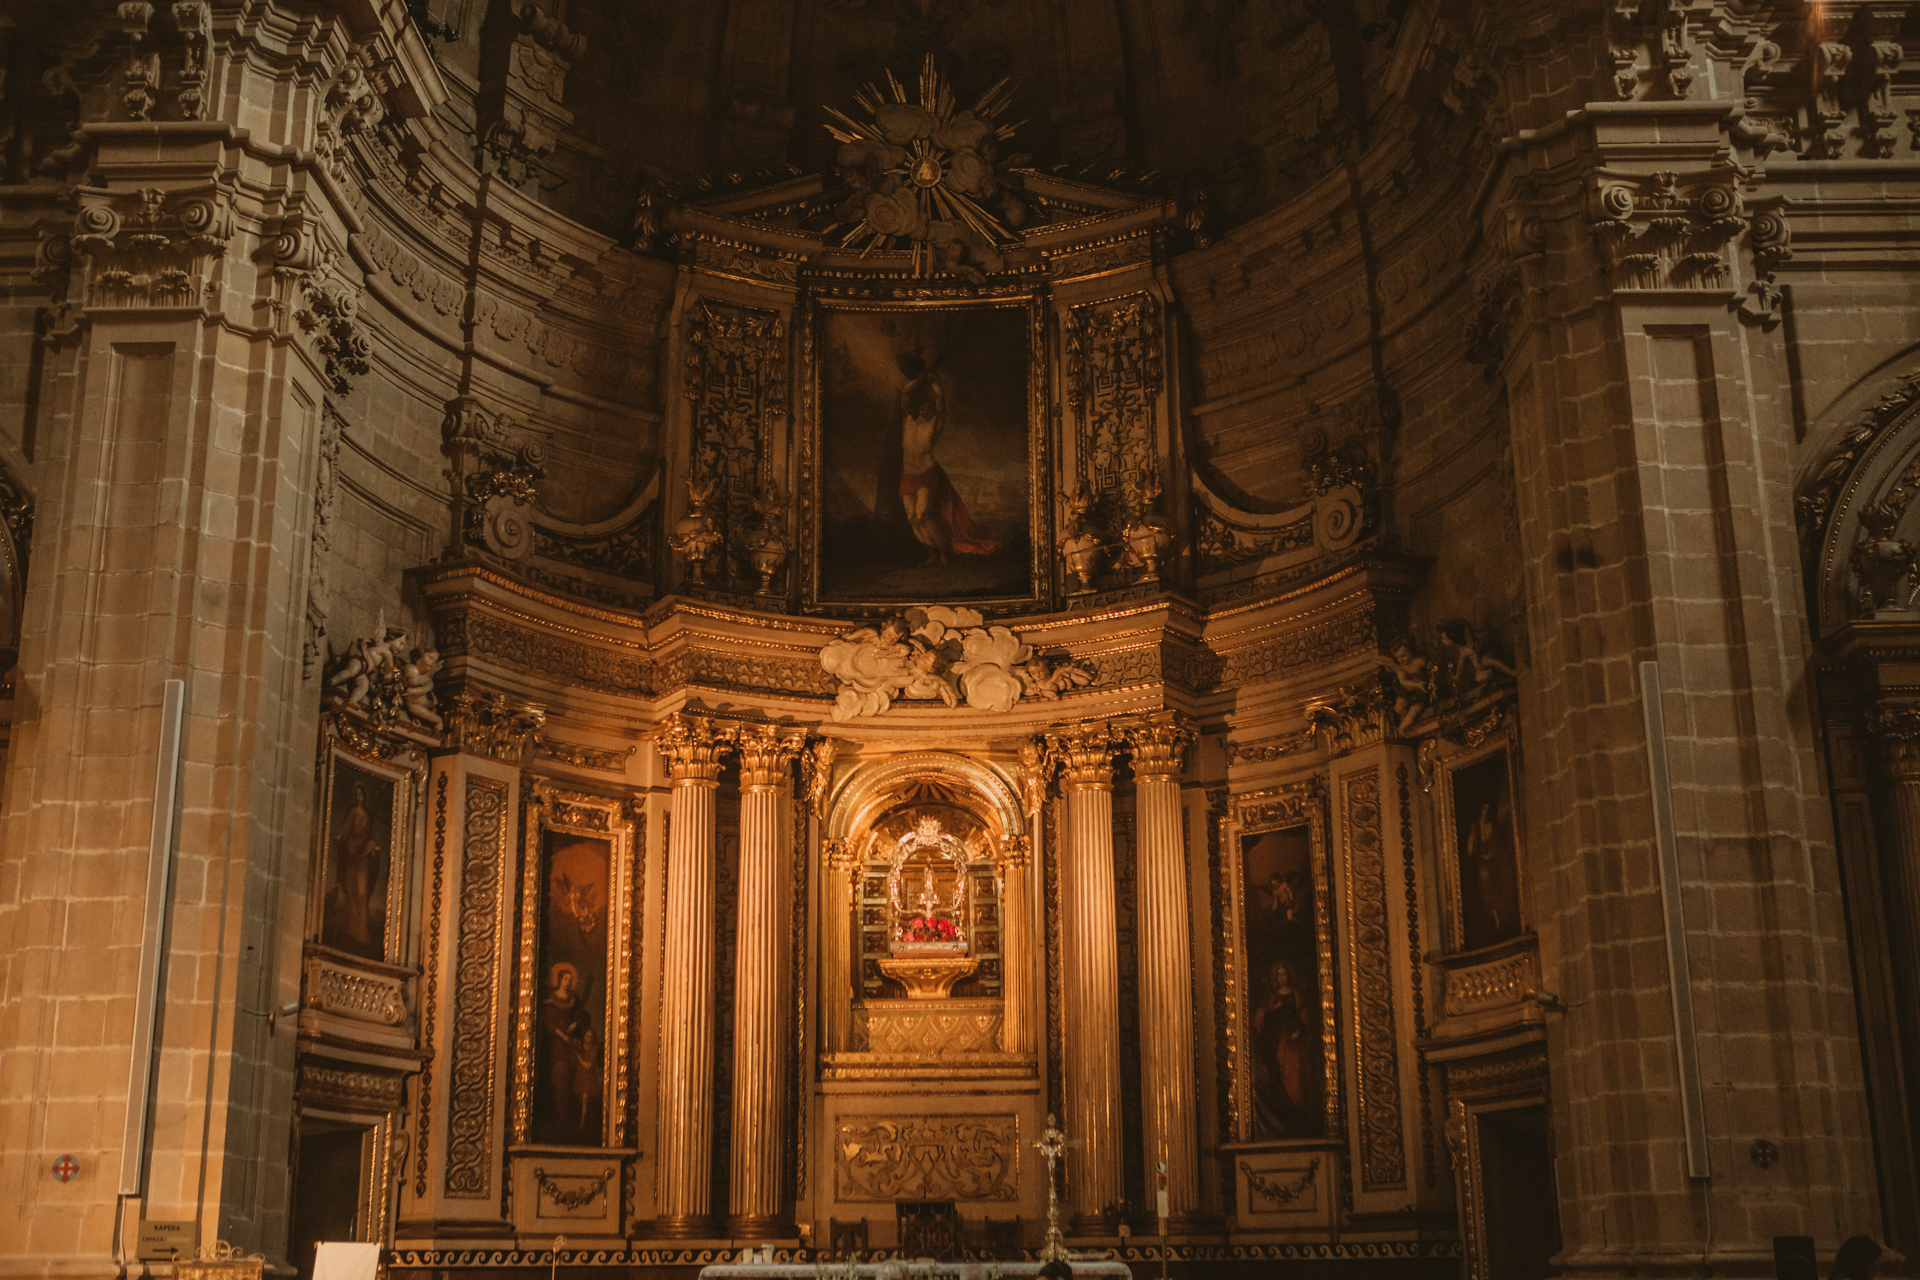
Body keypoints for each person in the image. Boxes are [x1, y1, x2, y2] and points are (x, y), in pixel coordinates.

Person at [896, 350, 995, 564]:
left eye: (929, 407)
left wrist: (933, 384)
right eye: (923, 405)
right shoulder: (909, 422)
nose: (925, 408)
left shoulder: (935, 425)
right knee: (911, 517)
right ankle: (931, 552)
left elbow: (941, 401)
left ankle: (943, 553)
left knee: (923, 514)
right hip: (907, 474)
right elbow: (904, 396)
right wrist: (918, 381)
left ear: (933, 411)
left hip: (926, 473)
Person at [329, 781, 384, 955]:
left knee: (361, 893)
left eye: (362, 795)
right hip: (351, 852)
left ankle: (362, 932)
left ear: (364, 797)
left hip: (363, 856)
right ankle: (352, 930)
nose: (359, 797)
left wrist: (373, 845)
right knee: (352, 893)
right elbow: (345, 829)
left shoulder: (366, 815)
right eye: (357, 795)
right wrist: (340, 837)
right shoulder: (353, 812)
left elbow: (368, 836)